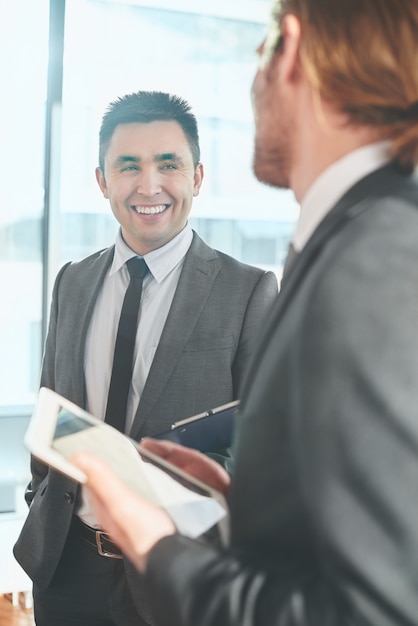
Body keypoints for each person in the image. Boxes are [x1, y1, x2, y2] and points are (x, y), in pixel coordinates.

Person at [70, 0, 418, 624]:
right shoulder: (356, 237)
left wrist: (153, 541)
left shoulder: (377, 256)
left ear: (288, 49)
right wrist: (246, 503)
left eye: (256, 55)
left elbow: (367, 610)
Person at [13, 90, 278, 626]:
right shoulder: (73, 281)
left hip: (177, 571)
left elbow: (264, 447)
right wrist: (40, 495)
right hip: (65, 567)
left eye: (169, 165)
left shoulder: (247, 291)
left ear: (197, 178)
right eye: (128, 166)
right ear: (102, 180)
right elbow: (53, 407)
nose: (149, 185)